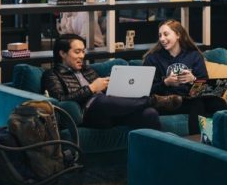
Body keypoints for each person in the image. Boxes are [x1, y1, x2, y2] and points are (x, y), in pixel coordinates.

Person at [42, 33, 181, 130]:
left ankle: (160, 153)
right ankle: (153, 100)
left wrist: (111, 84)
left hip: (110, 108)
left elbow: (102, 90)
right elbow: (59, 100)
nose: (82, 56)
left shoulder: (87, 70)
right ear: (62, 53)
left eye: (83, 52)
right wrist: (91, 89)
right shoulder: (51, 75)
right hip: (89, 113)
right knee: (100, 100)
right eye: (77, 52)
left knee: (149, 114)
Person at [143, 19, 226, 135]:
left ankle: (220, 139)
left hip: (188, 99)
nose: (162, 39)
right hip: (166, 102)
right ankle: (198, 142)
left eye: (166, 34)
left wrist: (193, 80)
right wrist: (166, 82)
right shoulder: (152, 59)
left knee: (218, 102)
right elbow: (145, 89)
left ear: (178, 35)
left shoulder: (194, 56)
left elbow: (205, 85)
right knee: (198, 103)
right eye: (160, 35)